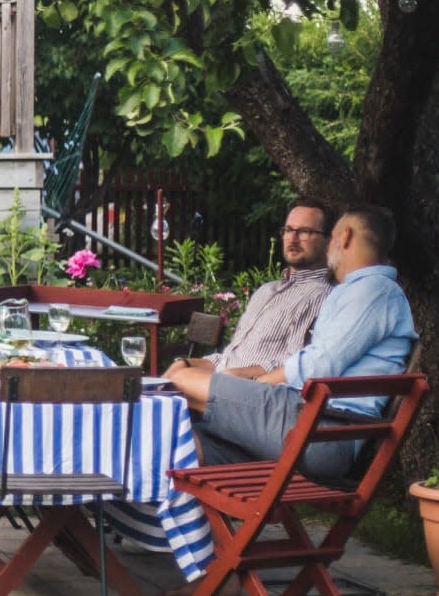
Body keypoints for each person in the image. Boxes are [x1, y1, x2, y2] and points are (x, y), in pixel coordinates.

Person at [171, 203, 417, 481]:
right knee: (185, 441)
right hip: (308, 426)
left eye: (332, 236)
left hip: (325, 434)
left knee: (180, 380)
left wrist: (254, 386)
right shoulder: (356, 292)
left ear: (345, 236)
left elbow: (319, 364)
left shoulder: (374, 291)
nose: (329, 248)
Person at [164, 198, 336, 380]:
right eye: (288, 230)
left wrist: (232, 377)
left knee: (171, 389)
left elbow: (294, 364)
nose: (292, 238)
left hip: (254, 392)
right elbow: (229, 359)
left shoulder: (322, 295)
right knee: (165, 383)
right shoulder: (266, 291)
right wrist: (186, 364)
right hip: (223, 382)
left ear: (328, 241)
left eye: (304, 232)